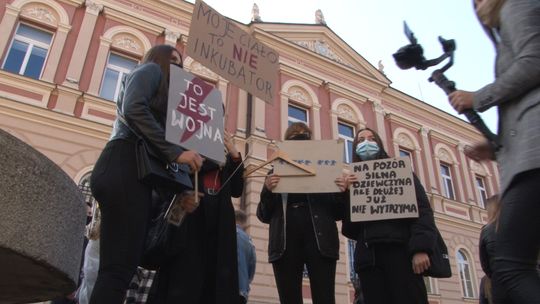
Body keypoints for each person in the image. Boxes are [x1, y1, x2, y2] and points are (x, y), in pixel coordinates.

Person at [89, 44, 203, 303]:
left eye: (181, 63)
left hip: (132, 176)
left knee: (120, 269)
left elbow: (159, 164)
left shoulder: (166, 107)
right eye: (172, 60)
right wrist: (175, 152)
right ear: (157, 59)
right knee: (117, 271)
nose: (177, 66)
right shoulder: (149, 70)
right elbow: (133, 108)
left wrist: (181, 203)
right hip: (123, 164)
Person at [448, 1, 540, 302]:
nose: (478, 7)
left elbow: (535, 61)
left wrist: (479, 97)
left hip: (533, 160)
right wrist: (496, 147)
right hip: (527, 152)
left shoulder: (517, 5)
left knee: (511, 265)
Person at [341, 127, 437, 304]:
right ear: (355, 148)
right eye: (361, 141)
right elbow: (350, 230)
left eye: (371, 139)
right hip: (370, 261)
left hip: (401, 255)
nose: (366, 143)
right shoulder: (353, 182)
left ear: (379, 144)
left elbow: (422, 211)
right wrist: (348, 195)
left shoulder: (401, 172)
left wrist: (420, 248)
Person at [256, 122, 348, 304]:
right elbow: (263, 215)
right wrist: (267, 190)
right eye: (295, 135)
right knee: (288, 298)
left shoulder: (325, 170)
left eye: (304, 134)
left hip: (321, 241)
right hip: (284, 243)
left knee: (325, 297)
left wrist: (341, 193)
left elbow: (338, 213)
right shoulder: (275, 171)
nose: (300, 136)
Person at [148, 131, 244, 304]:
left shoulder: (222, 157)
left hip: (219, 229)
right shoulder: (187, 146)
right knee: (184, 280)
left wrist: (234, 154)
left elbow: (237, 189)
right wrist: (214, 160)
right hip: (190, 221)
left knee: (214, 285)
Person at [479, 195, 502, 304]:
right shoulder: (519, 226)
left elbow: (485, 264)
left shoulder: (486, 231)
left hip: (496, 279)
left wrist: (493, 275)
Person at [235, 209, 256, 304]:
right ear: (244, 223)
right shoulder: (249, 241)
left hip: (225, 287)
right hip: (242, 291)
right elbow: (252, 266)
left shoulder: (226, 234)